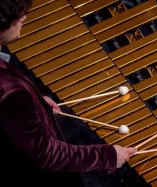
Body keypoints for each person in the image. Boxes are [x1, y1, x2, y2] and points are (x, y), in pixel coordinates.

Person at [0, 0, 137, 185]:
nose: (24, 17)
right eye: (17, 16)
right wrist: (108, 156)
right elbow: (46, 154)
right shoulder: (12, 94)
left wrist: (34, 102)